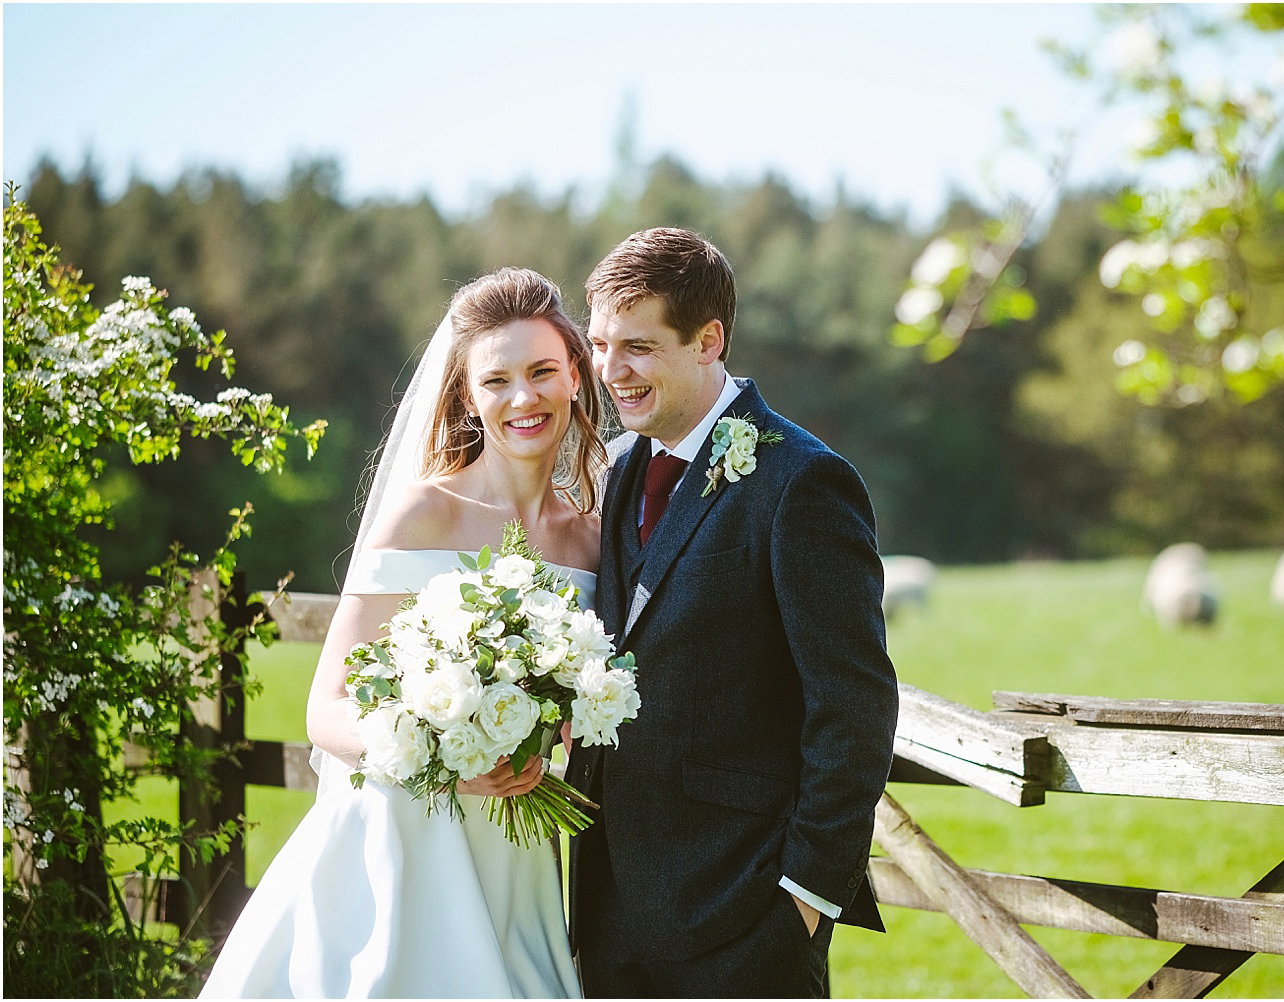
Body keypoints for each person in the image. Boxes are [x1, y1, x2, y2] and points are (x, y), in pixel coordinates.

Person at [199, 268, 604, 999]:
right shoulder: (422, 515)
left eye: (543, 371)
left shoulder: (590, 543)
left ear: (575, 374)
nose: (523, 398)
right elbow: (326, 710)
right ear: (466, 397)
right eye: (497, 380)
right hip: (402, 842)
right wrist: (449, 756)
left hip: (515, 852)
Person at [565, 228, 899, 997]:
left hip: (743, 915)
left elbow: (853, 704)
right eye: (600, 344)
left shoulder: (802, 480)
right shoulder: (613, 473)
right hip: (606, 908)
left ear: (708, 340)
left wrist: (805, 901)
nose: (610, 372)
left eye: (638, 348)